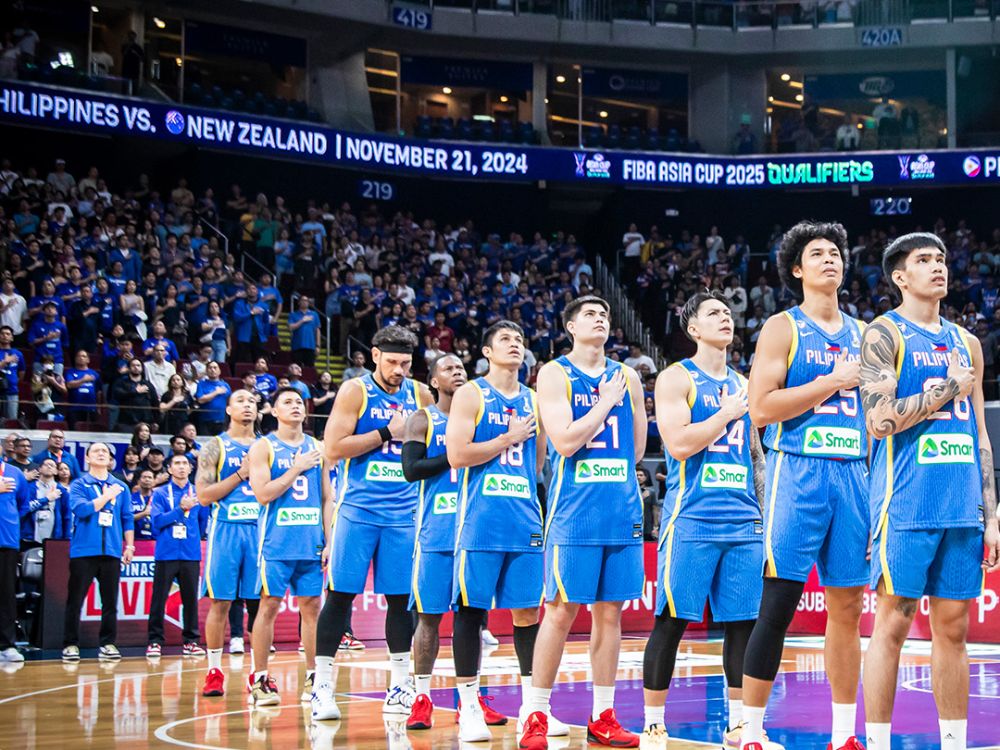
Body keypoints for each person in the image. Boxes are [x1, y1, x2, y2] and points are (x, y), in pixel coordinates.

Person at [858, 233, 1000, 750]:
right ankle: (876, 742)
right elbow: (879, 421)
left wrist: (992, 515)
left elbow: (980, 434)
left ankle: (955, 743)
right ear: (900, 276)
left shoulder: (968, 343)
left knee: (955, 628)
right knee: (892, 623)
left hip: (962, 503)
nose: (937, 267)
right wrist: (945, 388)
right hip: (906, 502)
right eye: (923, 261)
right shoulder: (883, 333)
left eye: (940, 259)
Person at [740, 221, 868, 750]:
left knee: (848, 608)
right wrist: (829, 383)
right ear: (797, 269)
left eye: (835, 251)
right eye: (817, 253)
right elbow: (761, 409)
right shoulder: (781, 327)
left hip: (856, 472)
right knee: (778, 604)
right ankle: (749, 730)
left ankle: (843, 735)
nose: (829, 259)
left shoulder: (867, 333)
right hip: (800, 469)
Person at [640, 292, 766, 750]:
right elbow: (678, 444)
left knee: (742, 623)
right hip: (692, 517)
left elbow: (756, 456)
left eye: (729, 313)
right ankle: (654, 723)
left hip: (743, 520)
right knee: (672, 620)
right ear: (693, 329)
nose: (726, 318)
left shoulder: (746, 382)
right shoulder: (676, 378)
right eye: (714, 313)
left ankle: (740, 724)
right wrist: (727, 412)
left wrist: (764, 513)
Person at [525, 296, 646, 749]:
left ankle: (603, 715)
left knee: (610, 613)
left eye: (605, 314)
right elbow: (565, 440)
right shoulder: (555, 373)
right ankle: (535, 712)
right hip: (574, 511)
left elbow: (635, 451)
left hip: (621, 509)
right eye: (591, 314)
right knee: (560, 611)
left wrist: (616, 396)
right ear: (571, 326)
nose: (601, 319)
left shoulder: (628, 375)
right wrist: (604, 404)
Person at [315, 326, 432, 721]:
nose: (399, 370)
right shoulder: (355, 391)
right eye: (393, 361)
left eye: (406, 363)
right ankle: (322, 687)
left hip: (405, 513)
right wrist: (387, 432)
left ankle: (400, 685)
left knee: (401, 600)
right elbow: (333, 448)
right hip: (358, 510)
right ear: (375, 355)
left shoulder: (421, 395)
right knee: (340, 596)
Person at [446, 320, 545, 742]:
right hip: (481, 520)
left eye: (519, 339)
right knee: (470, 611)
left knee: (527, 613)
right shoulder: (471, 394)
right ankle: (469, 708)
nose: (515, 344)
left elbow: (537, 465)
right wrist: (507, 437)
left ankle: (532, 710)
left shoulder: (534, 400)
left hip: (524, 518)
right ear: (486, 351)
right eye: (506, 339)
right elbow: (457, 455)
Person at [402, 354, 490, 730]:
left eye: (461, 368)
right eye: (449, 369)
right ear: (433, 381)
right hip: (437, 531)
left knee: (473, 619)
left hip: (474, 528)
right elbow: (412, 469)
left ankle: (471, 700)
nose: (458, 372)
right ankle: (421, 697)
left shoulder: (482, 415)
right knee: (429, 618)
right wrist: (455, 455)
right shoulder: (423, 419)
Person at [247, 388, 329, 706]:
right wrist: (295, 467)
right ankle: (260, 680)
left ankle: (314, 679)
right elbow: (263, 493)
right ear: (274, 411)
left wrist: (329, 541)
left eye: (299, 402)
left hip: (310, 543)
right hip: (276, 543)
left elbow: (326, 498)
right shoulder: (263, 447)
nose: (295, 406)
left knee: (312, 610)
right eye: (288, 402)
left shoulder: (316, 447)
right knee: (268, 607)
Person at [197, 390, 260, 697]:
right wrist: (240, 474)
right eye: (241, 401)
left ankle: (257, 674)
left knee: (261, 605)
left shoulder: (268, 446)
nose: (247, 406)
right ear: (229, 408)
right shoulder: (215, 446)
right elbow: (204, 496)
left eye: (252, 402)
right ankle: (213, 671)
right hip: (227, 530)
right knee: (220, 602)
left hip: (261, 532)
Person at [62, 442, 134, 662]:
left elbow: (127, 517)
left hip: (112, 551)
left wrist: (129, 545)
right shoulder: (79, 484)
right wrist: (105, 497)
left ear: (111, 459)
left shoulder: (120, 487)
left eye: (106, 451)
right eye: (97, 451)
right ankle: (71, 644)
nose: (102, 453)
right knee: (76, 600)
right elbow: (81, 510)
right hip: (84, 551)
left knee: (110, 602)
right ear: (88, 458)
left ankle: (108, 643)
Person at [146, 453, 205, 657]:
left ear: (190, 469)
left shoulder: (198, 493)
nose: (181, 467)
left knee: (190, 599)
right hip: (166, 553)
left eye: (185, 464)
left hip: (190, 553)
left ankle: (191, 641)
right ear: (169, 469)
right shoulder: (161, 493)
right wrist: (180, 510)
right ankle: (154, 641)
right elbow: (157, 521)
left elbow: (203, 522)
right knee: (158, 598)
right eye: (177, 464)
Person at [0, 459, 30, 661]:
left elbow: (23, 504)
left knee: (5, 594)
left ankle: (6, 645)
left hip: (6, 541)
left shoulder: (15, 472)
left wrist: (9, 519)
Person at [21, 457, 70, 546]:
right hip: (30, 538)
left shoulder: (62, 491)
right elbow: (25, 508)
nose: (49, 467)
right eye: (46, 465)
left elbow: (67, 517)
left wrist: (67, 539)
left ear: (56, 471)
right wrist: (46, 499)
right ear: (39, 469)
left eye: (52, 465)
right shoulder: (29, 488)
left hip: (54, 539)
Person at [114, 358, 159, 429]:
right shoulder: (121, 382)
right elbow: (118, 395)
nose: (136, 367)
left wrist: (156, 421)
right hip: (126, 421)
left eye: (138, 365)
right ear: (128, 368)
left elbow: (155, 403)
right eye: (133, 365)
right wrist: (135, 392)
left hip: (145, 422)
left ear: (142, 368)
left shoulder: (148, 384)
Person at [27, 302, 68, 376]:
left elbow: (65, 343)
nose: (50, 309)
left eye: (52, 308)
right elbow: (30, 342)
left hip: (57, 360)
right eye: (47, 308)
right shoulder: (36, 325)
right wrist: (46, 338)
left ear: (56, 312)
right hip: (39, 359)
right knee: (38, 385)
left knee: (56, 385)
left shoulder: (61, 326)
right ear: (43, 311)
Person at [64, 350, 100, 429]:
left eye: (84, 356)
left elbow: (98, 391)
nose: (81, 358)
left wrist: (98, 407)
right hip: (74, 408)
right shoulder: (70, 372)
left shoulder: (95, 374)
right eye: (78, 356)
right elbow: (69, 385)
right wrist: (83, 380)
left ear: (88, 360)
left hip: (91, 409)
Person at [195, 361, 231, 434]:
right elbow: (200, 400)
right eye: (210, 368)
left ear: (219, 371)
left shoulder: (225, 385)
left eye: (215, 367)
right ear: (206, 371)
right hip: (205, 421)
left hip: (222, 420)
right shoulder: (201, 384)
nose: (212, 370)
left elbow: (230, 401)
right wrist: (216, 392)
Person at [0, 326, 25, 420]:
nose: (5, 336)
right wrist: (5, 362)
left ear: (12, 337)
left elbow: (22, 372)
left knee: (11, 420)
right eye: (2, 333)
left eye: (8, 334)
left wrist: (14, 382)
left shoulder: (18, 354)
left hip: (12, 392)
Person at [289, 295, 320, 367]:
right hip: (297, 346)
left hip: (310, 346)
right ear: (299, 302)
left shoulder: (314, 314)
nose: (305, 302)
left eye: (307, 300)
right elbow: (290, 327)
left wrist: (318, 346)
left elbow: (317, 330)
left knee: (309, 368)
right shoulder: (293, 314)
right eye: (303, 300)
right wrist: (302, 320)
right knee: (296, 367)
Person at [130, 468, 155, 540]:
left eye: (150, 477)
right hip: (135, 539)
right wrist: (143, 514)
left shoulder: (159, 498)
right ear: (138, 481)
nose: (147, 480)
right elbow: (126, 518)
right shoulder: (131, 498)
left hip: (155, 540)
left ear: (154, 481)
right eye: (144, 477)